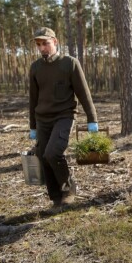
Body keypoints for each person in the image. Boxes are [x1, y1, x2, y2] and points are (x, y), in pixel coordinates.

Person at [29, 27, 99, 208]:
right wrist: (33, 126)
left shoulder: (70, 63)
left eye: (46, 43)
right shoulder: (35, 67)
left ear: (55, 42)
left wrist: (92, 119)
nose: (42, 48)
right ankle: (55, 197)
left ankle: (69, 189)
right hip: (42, 119)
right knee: (43, 156)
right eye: (39, 45)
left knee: (53, 153)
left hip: (64, 116)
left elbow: (84, 93)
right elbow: (33, 99)